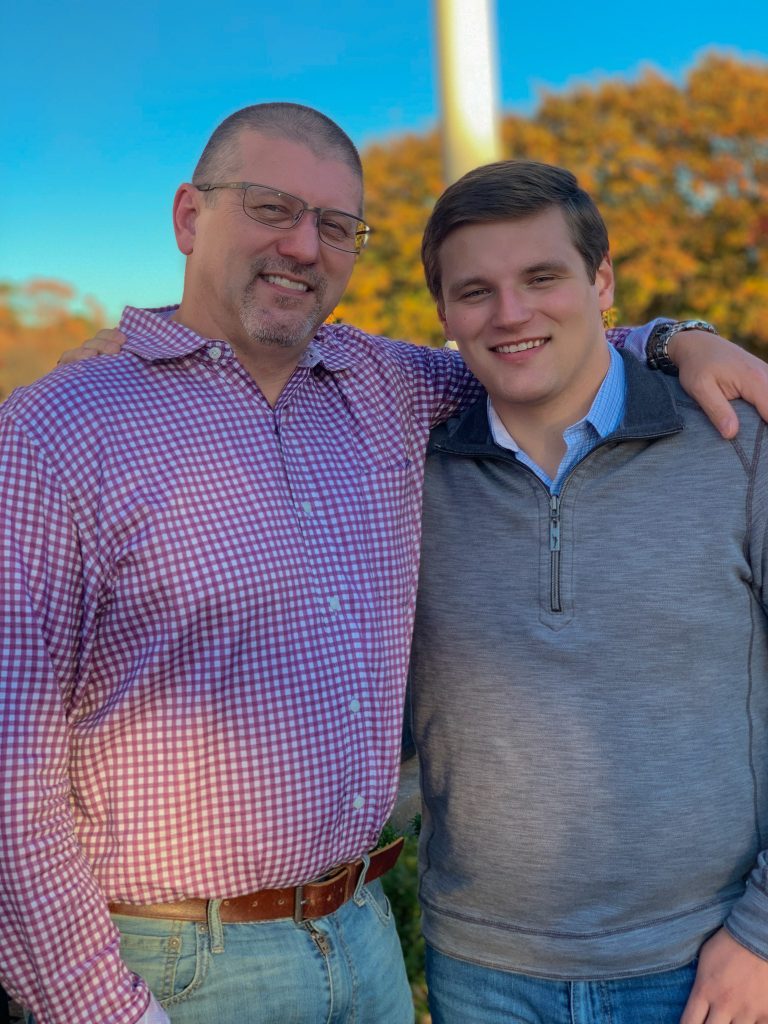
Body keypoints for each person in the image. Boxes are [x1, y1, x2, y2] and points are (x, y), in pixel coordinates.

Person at [0, 104, 764, 1024]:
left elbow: (540, 355)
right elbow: (12, 774)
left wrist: (677, 340)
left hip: (365, 941)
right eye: (271, 207)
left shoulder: (388, 386)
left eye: (334, 225)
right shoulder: (56, 430)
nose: (303, 245)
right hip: (179, 967)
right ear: (189, 218)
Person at [408, 158, 768, 1024]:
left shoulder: (733, 439)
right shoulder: (405, 468)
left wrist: (762, 935)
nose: (512, 313)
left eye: (543, 278)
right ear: (447, 314)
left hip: (708, 960)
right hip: (480, 968)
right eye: (476, 291)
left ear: (602, 280)